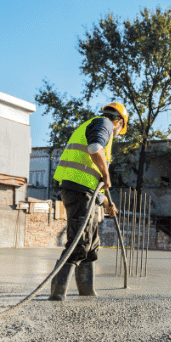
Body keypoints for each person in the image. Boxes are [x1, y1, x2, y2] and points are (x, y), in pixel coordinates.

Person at [49, 103, 128, 300]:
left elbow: (92, 179)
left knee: (91, 245)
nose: (116, 135)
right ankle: (57, 293)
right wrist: (106, 173)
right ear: (119, 122)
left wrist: (107, 204)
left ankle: (87, 291)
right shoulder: (105, 124)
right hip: (78, 191)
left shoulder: (94, 124)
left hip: (84, 191)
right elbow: (94, 149)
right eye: (119, 131)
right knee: (79, 242)